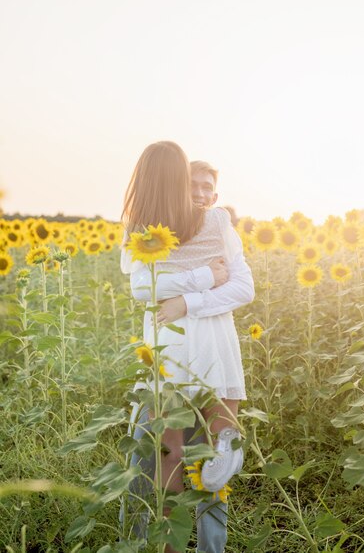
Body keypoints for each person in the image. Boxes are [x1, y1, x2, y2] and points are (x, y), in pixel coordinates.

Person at [120, 142, 254, 553]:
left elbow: (243, 287)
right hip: (171, 348)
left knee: (215, 457)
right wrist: (200, 278)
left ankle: (210, 547)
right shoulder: (146, 229)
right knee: (169, 456)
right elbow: (143, 288)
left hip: (213, 343)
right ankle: (170, 547)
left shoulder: (216, 221)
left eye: (204, 187)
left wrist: (185, 302)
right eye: (187, 183)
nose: (196, 193)